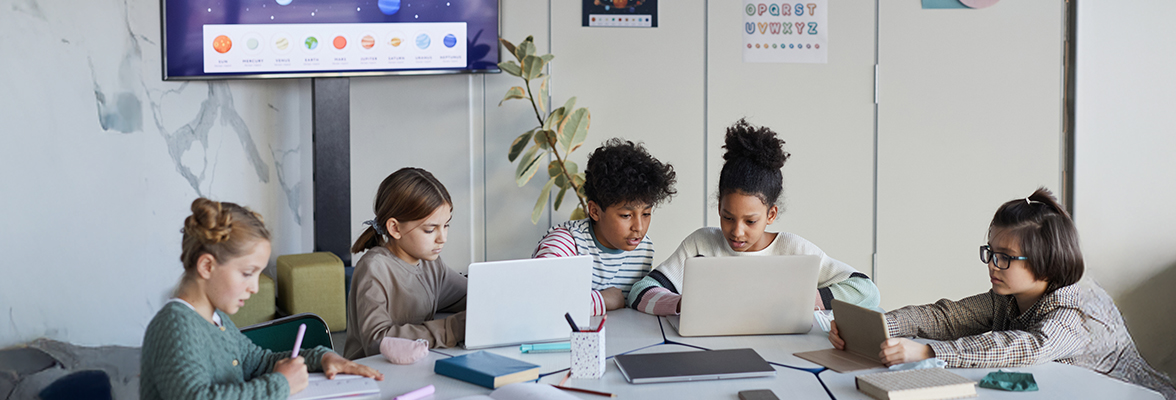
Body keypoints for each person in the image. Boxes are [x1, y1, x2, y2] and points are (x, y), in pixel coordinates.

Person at [828, 188, 1176, 399]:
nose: (993, 265)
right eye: (990, 252)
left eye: (1006, 258)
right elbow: (946, 316)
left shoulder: (1077, 311)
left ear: (1048, 261)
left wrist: (928, 351)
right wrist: (876, 325)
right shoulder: (1011, 294)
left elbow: (1024, 347)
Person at [628, 119, 880, 315]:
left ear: (771, 214)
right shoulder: (701, 244)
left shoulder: (792, 249)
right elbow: (640, 292)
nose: (737, 232)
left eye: (750, 221)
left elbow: (866, 291)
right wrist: (685, 304)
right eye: (727, 217)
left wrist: (800, 300)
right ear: (718, 208)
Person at [141, 198, 382, 400]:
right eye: (247, 273)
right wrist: (280, 384)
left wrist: (322, 357)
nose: (255, 287)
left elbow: (259, 362)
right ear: (206, 266)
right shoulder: (175, 327)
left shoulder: (216, 318)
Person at [532, 139, 677, 316]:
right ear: (594, 211)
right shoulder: (566, 242)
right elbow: (539, 300)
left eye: (646, 214)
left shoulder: (643, 248)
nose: (639, 227)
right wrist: (603, 300)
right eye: (626, 215)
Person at [344, 167, 467, 360]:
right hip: (372, 376)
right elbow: (377, 342)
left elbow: (474, 296)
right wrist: (451, 329)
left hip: (414, 371)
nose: (442, 238)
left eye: (446, 225)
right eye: (430, 229)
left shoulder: (432, 265)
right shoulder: (374, 269)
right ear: (394, 228)